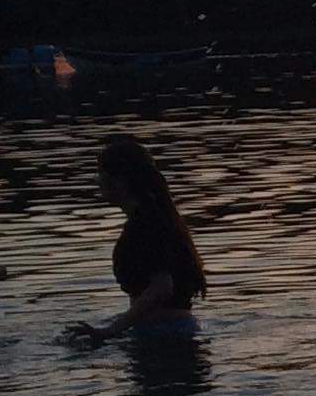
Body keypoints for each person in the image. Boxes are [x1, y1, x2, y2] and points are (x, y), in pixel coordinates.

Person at [61, 135, 207, 345]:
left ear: (120, 181)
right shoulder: (158, 218)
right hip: (173, 330)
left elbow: (162, 287)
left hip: (162, 338)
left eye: (100, 173)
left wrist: (111, 330)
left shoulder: (143, 226)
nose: (97, 180)